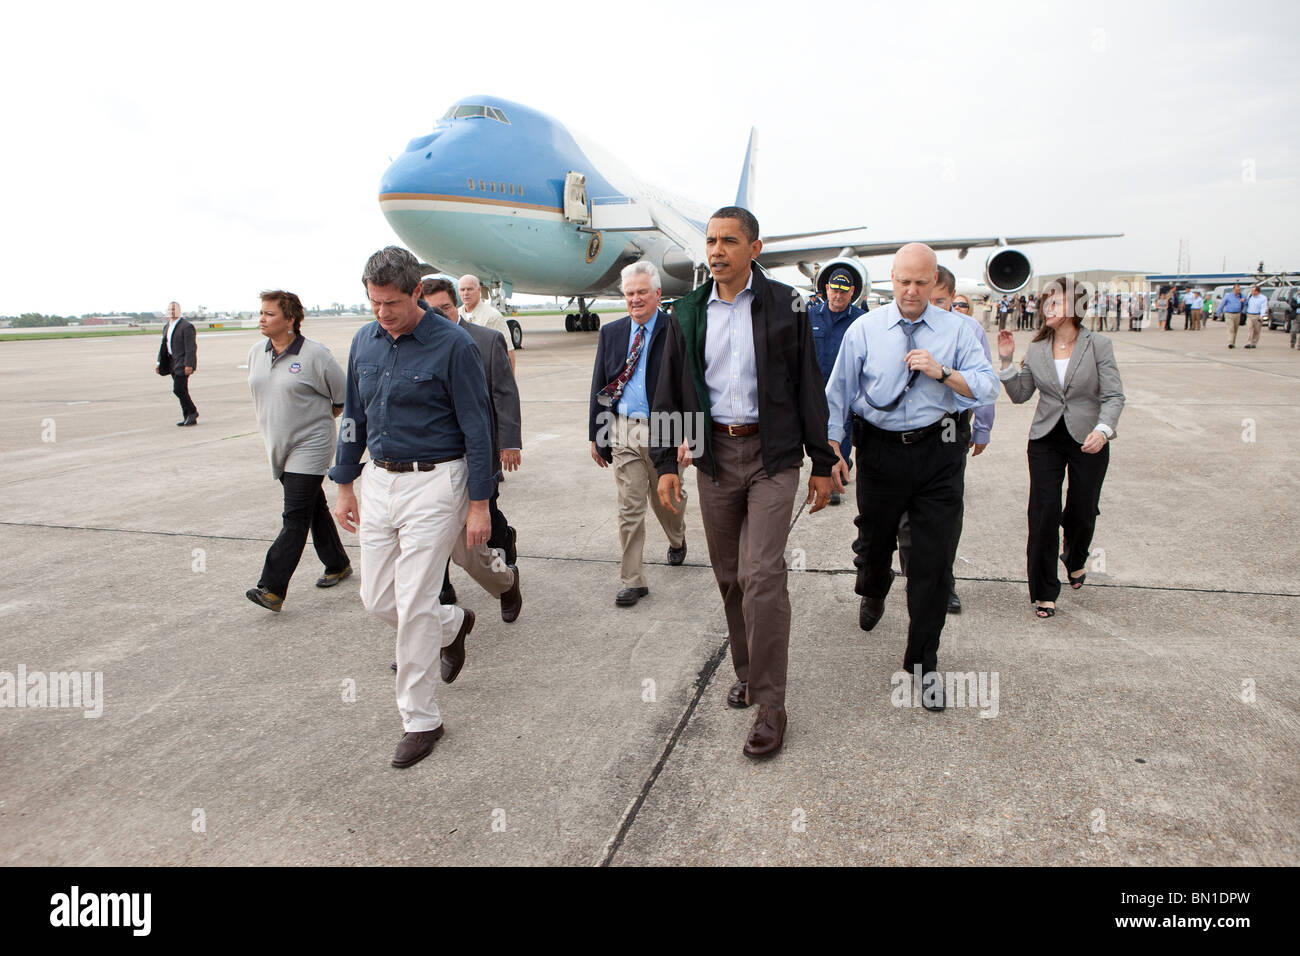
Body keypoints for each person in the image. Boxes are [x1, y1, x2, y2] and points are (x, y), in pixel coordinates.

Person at [652, 206, 837, 758]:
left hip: (772, 456)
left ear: (755, 248)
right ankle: (749, 673)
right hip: (713, 458)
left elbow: (809, 385)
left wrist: (823, 463)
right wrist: (666, 462)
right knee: (730, 575)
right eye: (710, 241)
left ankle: (772, 704)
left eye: (729, 241)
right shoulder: (685, 313)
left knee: (761, 573)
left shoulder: (786, 305)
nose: (716, 251)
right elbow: (670, 392)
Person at [331, 247, 496, 770]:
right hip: (378, 478)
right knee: (378, 598)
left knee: (415, 597)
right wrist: (344, 483)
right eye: (374, 302)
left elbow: (478, 427)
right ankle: (452, 623)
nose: (382, 312)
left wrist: (479, 503)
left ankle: (420, 718)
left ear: (417, 293)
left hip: (436, 482)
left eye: (393, 303)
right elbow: (354, 416)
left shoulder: (453, 345)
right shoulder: (364, 340)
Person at [824, 243, 998, 712]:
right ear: (891, 278)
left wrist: (944, 373)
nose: (911, 290)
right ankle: (873, 587)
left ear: (934, 281)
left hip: (940, 452)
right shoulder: (865, 329)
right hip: (880, 453)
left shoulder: (958, 330)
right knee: (876, 544)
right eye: (904, 281)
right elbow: (837, 394)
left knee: (933, 563)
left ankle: (922, 665)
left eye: (922, 282)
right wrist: (833, 451)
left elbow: (986, 385)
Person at [996, 277, 1125, 619]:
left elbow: (1113, 395)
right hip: (1045, 439)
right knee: (1043, 513)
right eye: (1046, 302)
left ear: (1077, 307)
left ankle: (1076, 558)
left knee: (1082, 512)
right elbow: (1022, 394)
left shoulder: (1098, 344)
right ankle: (1044, 590)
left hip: (1089, 439)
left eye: (1056, 302)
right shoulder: (1037, 348)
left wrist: (1104, 428)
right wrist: (1007, 363)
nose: (1047, 308)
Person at [421, 276, 523, 624]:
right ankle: (441, 591)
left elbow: (504, 394)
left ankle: (505, 571)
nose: (438, 315)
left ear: (456, 305)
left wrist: (508, 442)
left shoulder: (485, 339)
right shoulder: (416, 345)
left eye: (445, 308)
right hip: (433, 461)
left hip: (479, 453)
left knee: (486, 525)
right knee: (432, 534)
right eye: (430, 310)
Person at [895, 271, 997, 615]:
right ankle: (917, 579)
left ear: (952, 298)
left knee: (945, 516)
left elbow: (984, 385)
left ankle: (943, 580)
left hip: (951, 430)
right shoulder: (902, 326)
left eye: (939, 301)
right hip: (907, 433)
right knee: (907, 520)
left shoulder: (970, 331)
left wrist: (983, 428)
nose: (930, 307)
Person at [244, 290, 352, 613]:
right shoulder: (255, 353)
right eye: (261, 313)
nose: (262, 319)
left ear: (290, 319)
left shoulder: (315, 355)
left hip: (311, 445)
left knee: (294, 517)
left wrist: (315, 422)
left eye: (269, 314)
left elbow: (343, 396)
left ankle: (272, 587)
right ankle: (337, 563)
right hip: (278, 444)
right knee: (312, 507)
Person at [588, 261, 687, 607]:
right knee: (630, 506)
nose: (635, 299)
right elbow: (600, 385)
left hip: (668, 426)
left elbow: (690, 387)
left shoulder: (677, 328)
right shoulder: (612, 333)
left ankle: (677, 539)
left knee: (668, 502)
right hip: (625, 428)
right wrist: (596, 433)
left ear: (658, 294)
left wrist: (691, 435)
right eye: (629, 293)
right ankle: (633, 579)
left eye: (642, 292)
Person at [809, 267, 867, 505]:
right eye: (835, 290)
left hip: (845, 391)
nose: (838, 296)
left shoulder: (860, 320)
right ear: (826, 289)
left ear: (852, 292)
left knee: (840, 433)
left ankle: (834, 480)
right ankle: (828, 466)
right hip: (815, 388)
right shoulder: (810, 315)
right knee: (815, 435)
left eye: (844, 292)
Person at [458, 275, 515, 372]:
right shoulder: (457, 314)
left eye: (470, 289)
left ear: (479, 290)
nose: (466, 293)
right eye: (462, 290)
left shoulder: (493, 317)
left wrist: (510, 385)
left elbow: (508, 353)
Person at [155, 301, 198, 425]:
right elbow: (163, 346)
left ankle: (192, 411)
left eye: (174, 309)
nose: (172, 311)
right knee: (182, 389)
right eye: (170, 309)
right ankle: (188, 416)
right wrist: (159, 362)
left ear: (179, 310)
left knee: (178, 389)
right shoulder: (167, 326)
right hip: (172, 362)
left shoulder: (186, 326)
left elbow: (191, 347)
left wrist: (189, 364)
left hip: (183, 362)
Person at [1217, 283, 1245, 348]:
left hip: (1237, 314)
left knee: (1235, 329)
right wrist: (1219, 313)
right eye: (1236, 290)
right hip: (1229, 314)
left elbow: (1245, 304)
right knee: (1231, 328)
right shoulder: (1228, 296)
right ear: (1233, 289)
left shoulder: (1241, 296)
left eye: (1239, 290)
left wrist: (1243, 302)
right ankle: (1230, 342)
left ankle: (1233, 342)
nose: (1238, 291)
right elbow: (1222, 304)